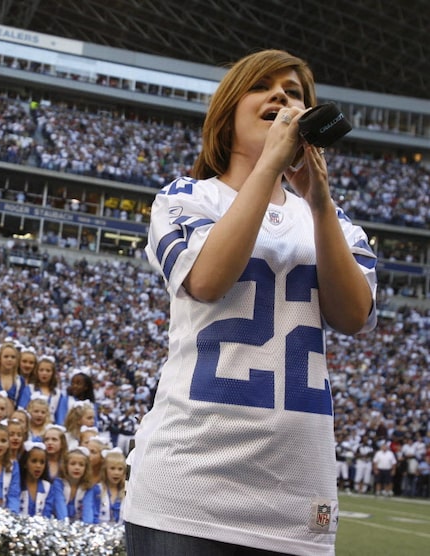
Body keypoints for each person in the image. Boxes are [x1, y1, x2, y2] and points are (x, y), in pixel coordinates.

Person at [124, 49, 378, 556]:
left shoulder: (337, 222)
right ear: (227, 113)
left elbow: (353, 316)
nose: (282, 96)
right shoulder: (185, 198)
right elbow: (209, 279)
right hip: (188, 492)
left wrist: (319, 199)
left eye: (294, 91)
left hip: (297, 501)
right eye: (263, 86)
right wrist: (270, 168)